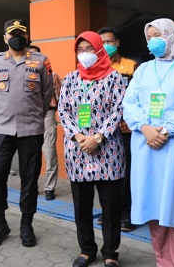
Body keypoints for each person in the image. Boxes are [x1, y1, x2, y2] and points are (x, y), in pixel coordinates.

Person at [122, 18, 174, 267]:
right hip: (146, 147)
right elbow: (130, 103)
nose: (153, 41)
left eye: (158, 35)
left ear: (171, 34)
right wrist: (146, 128)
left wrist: (167, 130)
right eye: (149, 37)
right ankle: (163, 262)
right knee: (153, 209)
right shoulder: (144, 70)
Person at [58, 31, 126, 267]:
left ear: (99, 50)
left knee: (110, 207)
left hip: (108, 151)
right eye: (80, 49)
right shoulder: (70, 79)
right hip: (78, 151)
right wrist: (79, 136)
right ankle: (87, 249)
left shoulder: (115, 78)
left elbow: (118, 110)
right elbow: (63, 111)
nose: (85, 54)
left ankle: (110, 253)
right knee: (82, 206)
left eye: (89, 49)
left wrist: (98, 137)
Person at [0, 19, 54, 248]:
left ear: (27, 37)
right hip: (2, 129)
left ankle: (27, 224)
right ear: (4, 38)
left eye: (20, 34)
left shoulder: (40, 61)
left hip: (31, 130)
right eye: (12, 34)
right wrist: (5, 113)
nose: (16, 37)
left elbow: (47, 93)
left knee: (29, 179)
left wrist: (34, 115)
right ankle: (0, 224)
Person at [98, 26, 138, 231]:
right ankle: (110, 212)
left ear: (117, 43)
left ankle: (128, 214)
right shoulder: (96, 69)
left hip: (126, 130)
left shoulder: (132, 66)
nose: (106, 46)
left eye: (109, 42)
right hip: (104, 132)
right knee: (108, 174)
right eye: (102, 42)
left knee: (128, 174)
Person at [29, 44, 62, 201]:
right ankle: (31, 186)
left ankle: (50, 187)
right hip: (28, 116)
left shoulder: (52, 75)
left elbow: (59, 96)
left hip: (47, 113)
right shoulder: (22, 74)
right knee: (30, 153)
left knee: (49, 152)